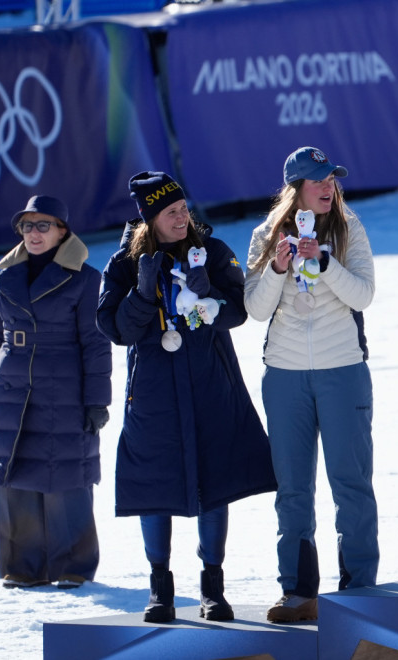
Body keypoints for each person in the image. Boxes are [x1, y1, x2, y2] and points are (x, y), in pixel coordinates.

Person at [96, 171, 276, 623]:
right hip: (153, 396)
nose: (182, 217)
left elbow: (240, 312)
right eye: (170, 212)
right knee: (155, 487)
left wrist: (208, 292)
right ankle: (160, 590)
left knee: (214, 485)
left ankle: (212, 588)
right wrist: (141, 291)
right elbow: (116, 329)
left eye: (183, 209)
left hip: (210, 386)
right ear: (149, 220)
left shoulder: (211, 252)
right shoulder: (123, 264)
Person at [244, 146, 378, 623]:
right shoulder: (266, 234)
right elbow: (255, 310)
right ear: (296, 188)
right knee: (293, 490)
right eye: (319, 181)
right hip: (285, 376)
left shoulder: (349, 227)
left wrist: (324, 262)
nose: (329, 188)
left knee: (351, 484)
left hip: (343, 369)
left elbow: (364, 294)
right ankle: (299, 593)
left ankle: (359, 594)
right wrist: (279, 269)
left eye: (332, 180)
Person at [0, 195, 112, 590]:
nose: (33, 234)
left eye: (43, 226)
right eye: (27, 227)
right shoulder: (7, 276)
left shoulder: (85, 278)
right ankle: (22, 566)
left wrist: (96, 400)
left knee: (67, 477)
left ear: (62, 231)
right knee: (14, 476)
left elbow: (96, 343)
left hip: (63, 388)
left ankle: (73, 566)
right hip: (12, 388)